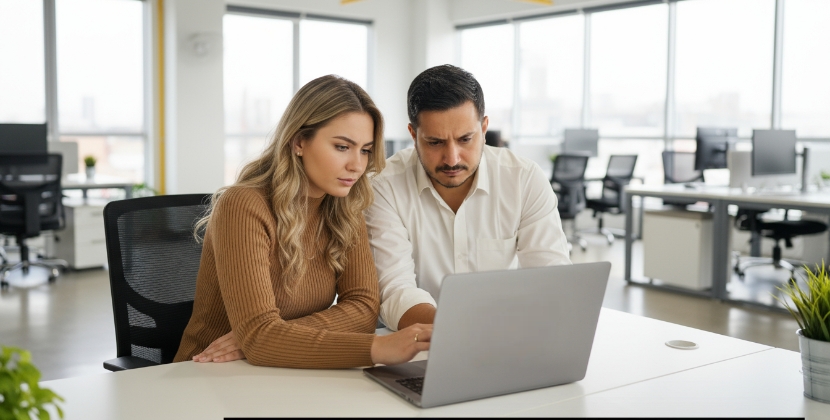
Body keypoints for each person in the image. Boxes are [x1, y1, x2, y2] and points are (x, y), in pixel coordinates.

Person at [173, 75, 431, 368]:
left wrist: (272, 336)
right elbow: (259, 339)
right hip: (207, 372)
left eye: (365, 150)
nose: (357, 165)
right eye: (342, 147)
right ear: (299, 142)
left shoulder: (346, 206)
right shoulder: (243, 205)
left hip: (287, 370)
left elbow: (364, 309)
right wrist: (378, 348)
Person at [365, 65, 571, 331]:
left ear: (484, 128)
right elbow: (395, 290)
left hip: (507, 335)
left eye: (465, 139)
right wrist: (463, 330)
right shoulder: (384, 187)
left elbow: (552, 279)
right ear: (414, 135)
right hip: (421, 339)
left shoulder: (523, 179)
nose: (452, 159)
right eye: (435, 142)